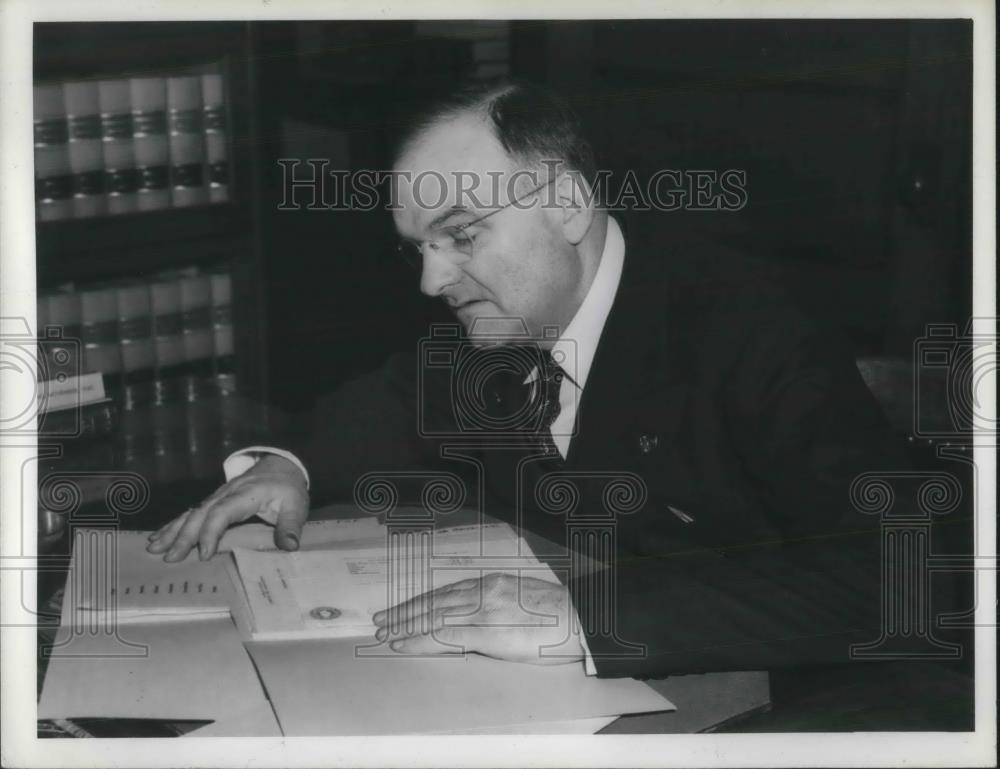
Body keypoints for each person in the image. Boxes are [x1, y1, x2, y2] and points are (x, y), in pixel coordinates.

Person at [148, 81, 908, 679]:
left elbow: (892, 578)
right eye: (417, 249)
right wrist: (289, 464)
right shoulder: (504, 325)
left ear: (567, 205)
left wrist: (580, 618)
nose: (432, 280)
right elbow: (391, 400)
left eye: (462, 235)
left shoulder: (751, 333)